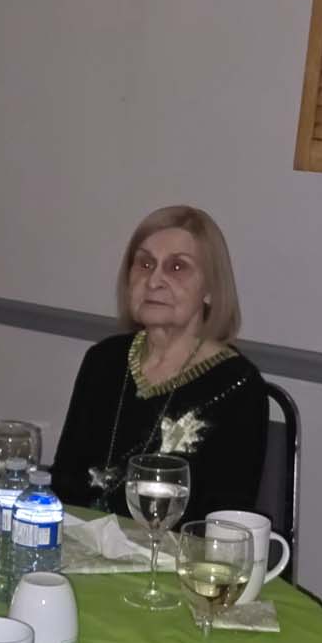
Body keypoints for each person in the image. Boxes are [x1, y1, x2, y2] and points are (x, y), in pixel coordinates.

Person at [51, 205, 268, 518]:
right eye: (145, 263)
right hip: (81, 550)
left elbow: (224, 525)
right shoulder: (103, 360)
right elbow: (65, 485)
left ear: (209, 288)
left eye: (177, 268)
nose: (154, 281)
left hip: (175, 562)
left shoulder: (238, 386)